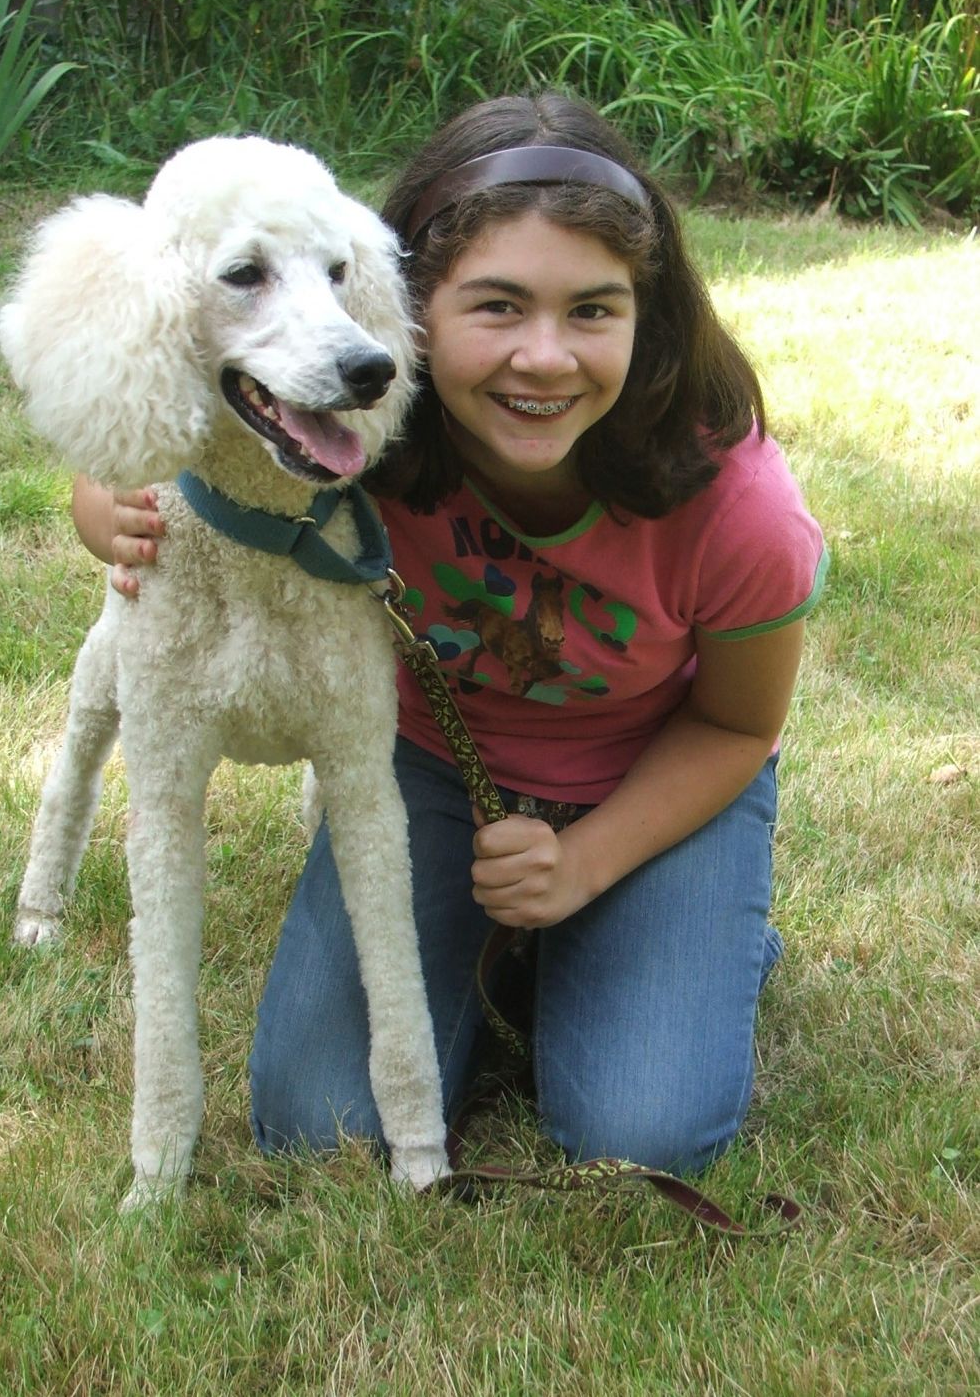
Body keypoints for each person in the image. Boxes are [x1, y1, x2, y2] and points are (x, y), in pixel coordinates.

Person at [72, 92, 827, 1176]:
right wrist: (105, 506)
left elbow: (738, 727)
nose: (545, 358)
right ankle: (519, 946)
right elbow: (175, 412)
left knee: (640, 1137)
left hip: (651, 784)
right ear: (406, 306)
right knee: (315, 1123)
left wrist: (581, 866)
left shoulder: (736, 503)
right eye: (498, 306)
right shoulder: (358, 424)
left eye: (593, 311)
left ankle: (693, 936)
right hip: (430, 774)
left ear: (646, 315)